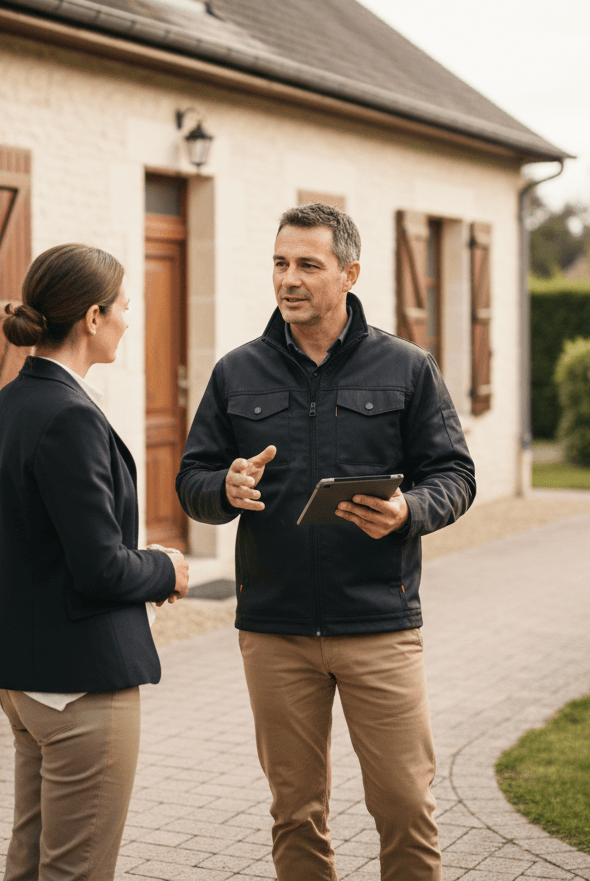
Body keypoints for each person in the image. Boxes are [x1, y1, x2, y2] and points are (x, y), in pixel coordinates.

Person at [176, 203, 475, 881]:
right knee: (296, 813)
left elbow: (455, 474)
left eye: (308, 265)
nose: (289, 279)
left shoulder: (407, 367)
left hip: (379, 623)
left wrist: (409, 509)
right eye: (280, 263)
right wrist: (224, 487)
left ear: (350, 274)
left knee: (405, 805)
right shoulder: (236, 372)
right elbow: (191, 478)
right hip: (274, 628)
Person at [0, 243, 189, 881]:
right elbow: (100, 568)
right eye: (123, 306)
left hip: (26, 676)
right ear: (91, 318)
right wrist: (166, 568)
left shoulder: (13, 401)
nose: (128, 317)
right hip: (79, 682)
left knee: (32, 863)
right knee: (76, 870)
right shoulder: (68, 415)